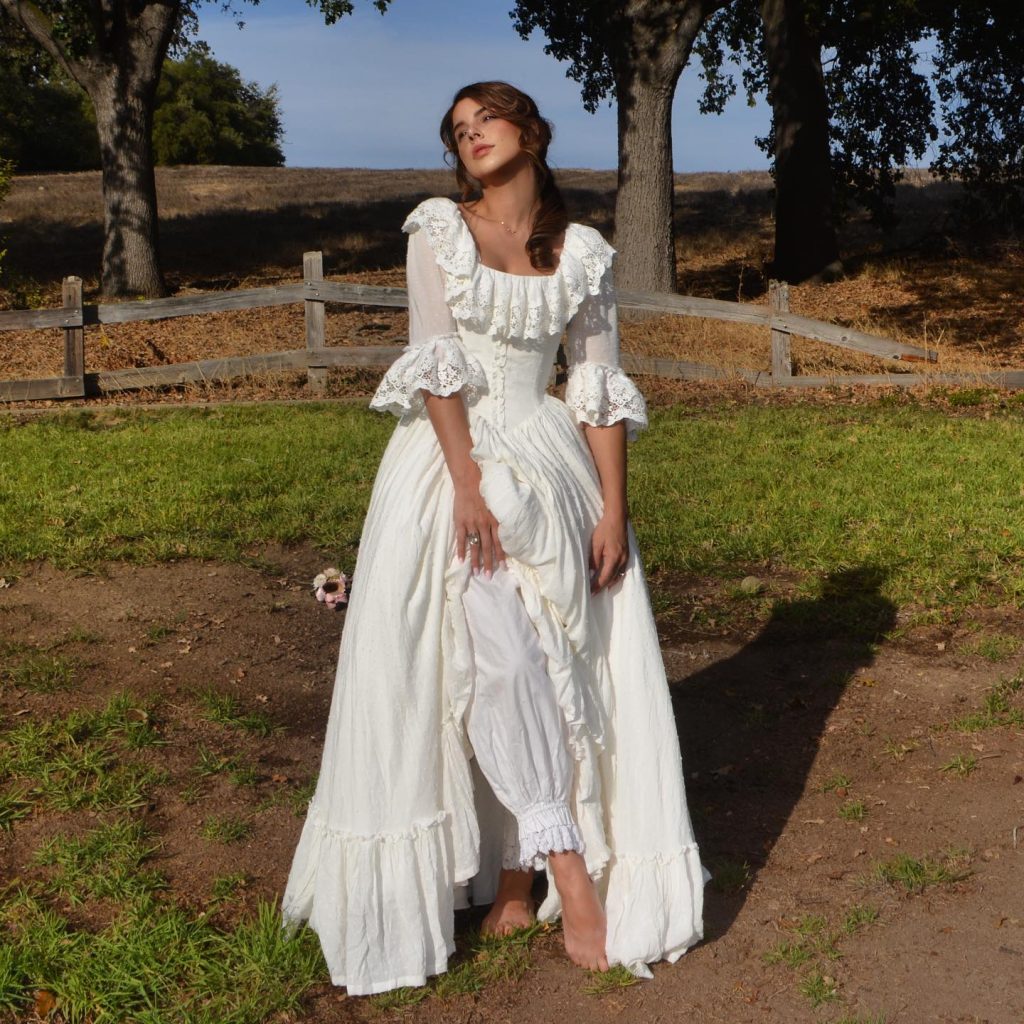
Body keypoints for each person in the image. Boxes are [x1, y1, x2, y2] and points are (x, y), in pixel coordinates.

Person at [281, 80, 706, 996]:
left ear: (530, 130)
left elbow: (595, 388)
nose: (471, 136)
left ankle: (512, 875)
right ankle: (570, 873)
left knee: (559, 666)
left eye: (487, 120)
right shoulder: (438, 229)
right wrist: (467, 487)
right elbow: (436, 366)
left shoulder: (582, 251)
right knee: (498, 662)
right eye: (458, 129)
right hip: (450, 468)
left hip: (551, 467)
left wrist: (613, 508)